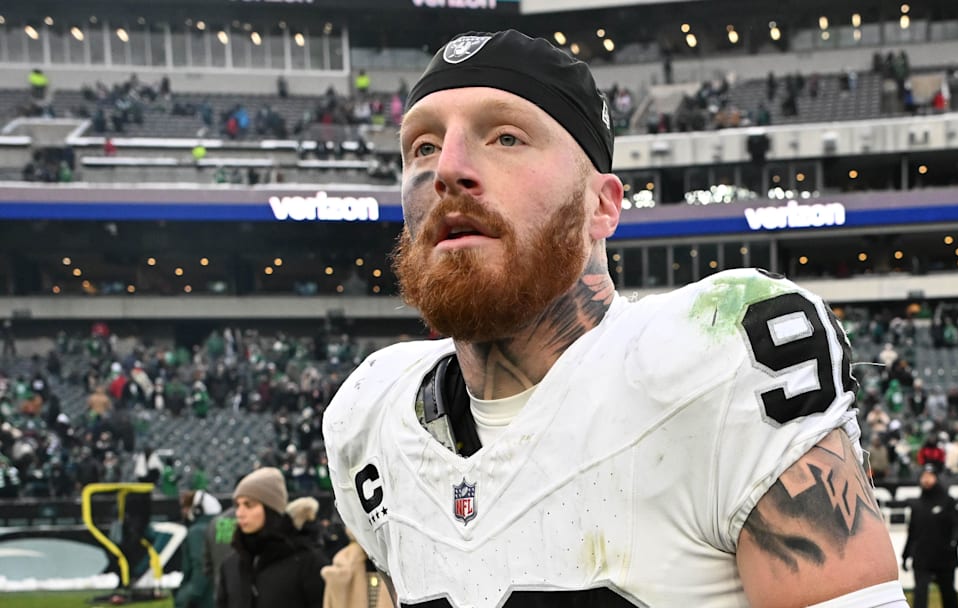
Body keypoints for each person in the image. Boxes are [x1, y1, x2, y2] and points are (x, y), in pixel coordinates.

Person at [324, 29, 904, 608]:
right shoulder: (370, 417)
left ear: (601, 206)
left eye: (504, 137)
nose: (447, 169)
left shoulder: (718, 357)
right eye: (423, 146)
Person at [216, 467, 328, 608]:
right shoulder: (230, 566)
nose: (239, 513)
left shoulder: (307, 562)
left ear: (270, 509)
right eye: (237, 505)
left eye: (249, 505)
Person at [902, 463, 958, 608]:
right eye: (924, 477)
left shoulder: (948, 502)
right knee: (920, 595)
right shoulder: (917, 505)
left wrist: (954, 541)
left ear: (936, 478)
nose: (926, 480)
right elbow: (912, 532)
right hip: (922, 558)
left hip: (944, 557)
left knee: (948, 594)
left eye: (930, 476)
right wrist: (905, 555)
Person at [174, 490, 222, 608]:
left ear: (197, 509)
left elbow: (201, 566)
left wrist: (185, 596)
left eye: (185, 507)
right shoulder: (221, 526)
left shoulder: (197, 531)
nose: (183, 512)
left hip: (205, 599)